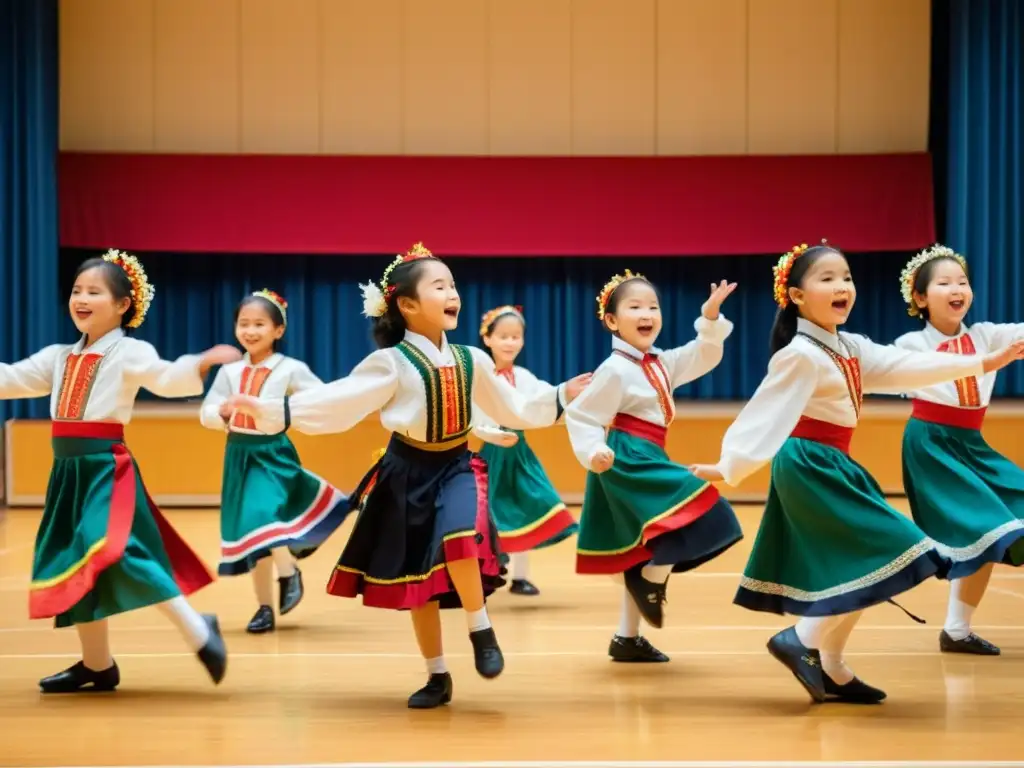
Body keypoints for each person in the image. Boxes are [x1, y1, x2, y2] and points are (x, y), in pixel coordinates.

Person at [226, 243, 590, 708]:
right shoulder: (392, 362)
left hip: (457, 465)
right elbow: (338, 401)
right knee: (418, 580)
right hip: (405, 472)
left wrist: (562, 395)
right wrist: (269, 409)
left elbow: (514, 407)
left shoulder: (472, 359)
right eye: (440, 286)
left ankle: (481, 630)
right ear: (407, 304)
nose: (453, 292)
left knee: (461, 536)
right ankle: (437, 675)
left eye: (453, 284)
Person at [690, 242, 1024, 704]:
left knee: (868, 568)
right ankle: (801, 640)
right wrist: (730, 465)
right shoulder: (801, 353)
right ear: (797, 296)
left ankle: (833, 667)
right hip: (809, 464)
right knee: (895, 553)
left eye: (845, 277)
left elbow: (908, 367)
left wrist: (984, 361)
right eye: (826, 278)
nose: (841, 285)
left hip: (835, 464)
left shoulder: (850, 347)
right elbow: (764, 412)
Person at [5, 249, 240, 693]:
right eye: (77, 290)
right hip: (68, 475)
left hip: (105, 469)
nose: (81, 298)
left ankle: (198, 627)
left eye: (94, 291)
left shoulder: (129, 351)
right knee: (77, 560)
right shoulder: (57, 358)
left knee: (112, 550)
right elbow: (10, 378)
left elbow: (166, 376)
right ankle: (97, 665)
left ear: (122, 304)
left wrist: (201, 363)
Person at [565, 270, 744, 663]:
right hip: (627, 459)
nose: (647, 313)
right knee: (703, 510)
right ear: (611, 321)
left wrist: (710, 319)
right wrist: (594, 452)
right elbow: (583, 415)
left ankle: (626, 638)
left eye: (653, 306)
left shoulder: (660, 362)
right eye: (634, 307)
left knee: (644, 548)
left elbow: (704, 354)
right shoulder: (615, 368)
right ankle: (649, 583)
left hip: (649, 454)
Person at [893, 243, 1024, 656]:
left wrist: (992, 353)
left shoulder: (986, 335)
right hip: (932, 445)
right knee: (983, 530)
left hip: (973, 445)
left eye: (963, 282)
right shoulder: (910, 343)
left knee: (993, 534)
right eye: (945, 282)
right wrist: (986, 362)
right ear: (920, 298)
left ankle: (956, 631)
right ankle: (934, 572)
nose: (958, 288)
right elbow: (917, 370)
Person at [200, 289, 349, 633]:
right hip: (238, 454)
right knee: (255, 537)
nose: (250, 331)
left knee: (262, 515)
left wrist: (290, 414)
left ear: (278, 330)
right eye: (243, 324)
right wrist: (218, 412)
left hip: (273, 453)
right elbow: (206, 410)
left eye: (259, 324)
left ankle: (288, 571)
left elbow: (319, 398)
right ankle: (264, 607)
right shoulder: (229, 372)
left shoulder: (290, 369)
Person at [473, 305, 581, 596]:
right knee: (489, 513)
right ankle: (485, 573)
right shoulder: (481, 376)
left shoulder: (523, 376)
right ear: (488, 339)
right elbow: (475, 418)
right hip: (493, 454)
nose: (510, 342)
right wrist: (491, 435)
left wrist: (571, 406)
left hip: (519, 453)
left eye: (516, 336)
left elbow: (545, 398)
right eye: (503, 336)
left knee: (529, 504)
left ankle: (520, 577)